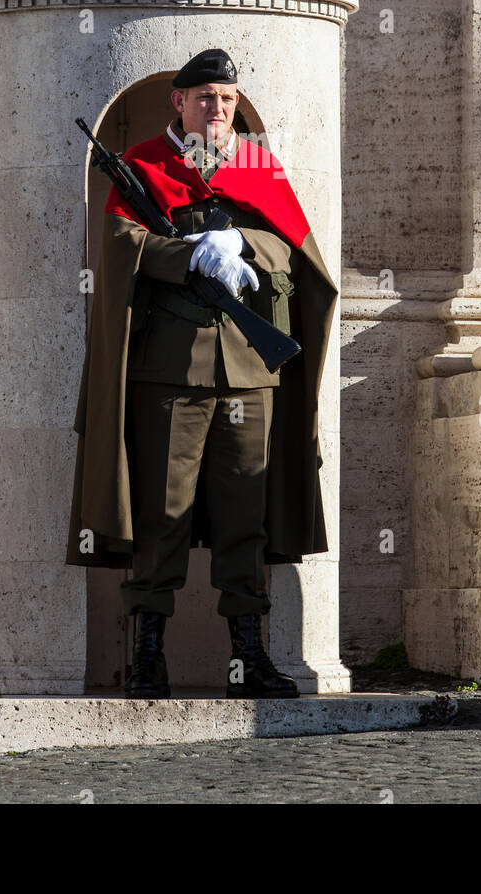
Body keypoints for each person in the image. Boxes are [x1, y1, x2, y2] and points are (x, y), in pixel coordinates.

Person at [66, 48, 338, 699]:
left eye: (226, 100)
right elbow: (118, 249)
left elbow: (296, 250)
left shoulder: (256, 166)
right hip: (169, 372)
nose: (216, 110)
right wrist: (185, 254)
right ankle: (149, 657)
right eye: (204, 98)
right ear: (178, 103)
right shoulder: (143, 168)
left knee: (248, 514)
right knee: (163, 514)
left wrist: (242, 244)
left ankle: (249, 657)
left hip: (251, 373)